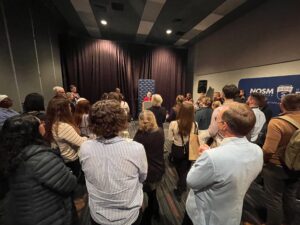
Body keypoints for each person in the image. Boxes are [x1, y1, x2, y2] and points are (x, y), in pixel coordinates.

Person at [186, 102, 263, 225]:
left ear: (224, 126)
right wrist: (211, 154)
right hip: (232, 214)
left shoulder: (212, 157)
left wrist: (202, 158)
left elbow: (191, 181)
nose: (216, 121)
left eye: (217, 119)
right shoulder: (258, 151)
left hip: (205, 216)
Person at [79, 99, 147, 225]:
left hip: (98, 217)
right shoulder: (137, 148)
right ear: (121, 120)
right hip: (129, 217)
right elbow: (143, 177)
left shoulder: (84, 148)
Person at [1, 114, 77, 225]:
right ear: (32, 132)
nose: (43, 124)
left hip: (24, 214)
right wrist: (68, 172)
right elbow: (69, 184)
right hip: (50, 216)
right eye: (40, 123)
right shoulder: (42, 158)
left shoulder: (10, 155)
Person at [262, 94, 300, 225]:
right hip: (297, 166)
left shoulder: (277, 122)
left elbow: (268, 150)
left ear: (282, 105)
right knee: (290, 196)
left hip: (276, 167)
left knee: (274, 199)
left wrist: (263, 161)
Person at [133, 110, 165, 225]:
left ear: (140, 121)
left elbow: (134, 151)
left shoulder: (140, 136)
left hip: (145, 171)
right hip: (158, 168)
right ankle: (155, 211)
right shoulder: (161, 132)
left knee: (141, 195)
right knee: (153, 194)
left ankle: (147, 218)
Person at [45, 97, 87, 177]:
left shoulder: (52, 123)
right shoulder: (62, 126)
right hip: (72, 161)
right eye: (69, 106)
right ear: (63, 110)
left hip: (64, 159)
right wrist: (87, 138)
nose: (70, 108)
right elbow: (81, 143)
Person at [168, 101, 195, 201]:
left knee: (180, 170)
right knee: (184, 170)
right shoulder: (195, 124)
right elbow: (194, 139)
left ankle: (181, 188)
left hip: (177, 150)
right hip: (189, 150)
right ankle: (182, 184)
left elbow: (170, 139)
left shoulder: (173, 123)